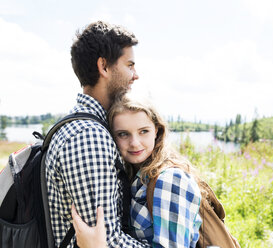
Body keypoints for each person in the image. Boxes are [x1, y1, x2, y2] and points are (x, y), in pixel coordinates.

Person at [45, 21, 149, 247]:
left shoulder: (85, 124)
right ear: (104, 66)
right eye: (129, 65)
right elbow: (107, 241)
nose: (136, 75)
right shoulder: (88, 136)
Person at [72, 94, 203, 247]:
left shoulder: (169, 180)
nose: (134, 143)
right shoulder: (129, 177)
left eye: (143, 131)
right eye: (123, 134)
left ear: (157, 131)